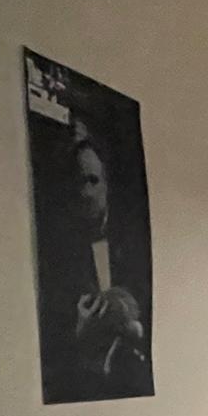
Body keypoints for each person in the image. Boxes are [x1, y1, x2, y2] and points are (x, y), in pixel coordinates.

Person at [37, 124, 152, 401]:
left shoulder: (135, 244)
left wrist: (134, 329)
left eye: (93, 181)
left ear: (107, 185)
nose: (86, 192)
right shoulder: (56, 257)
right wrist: (80, 330)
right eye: (78, 183)